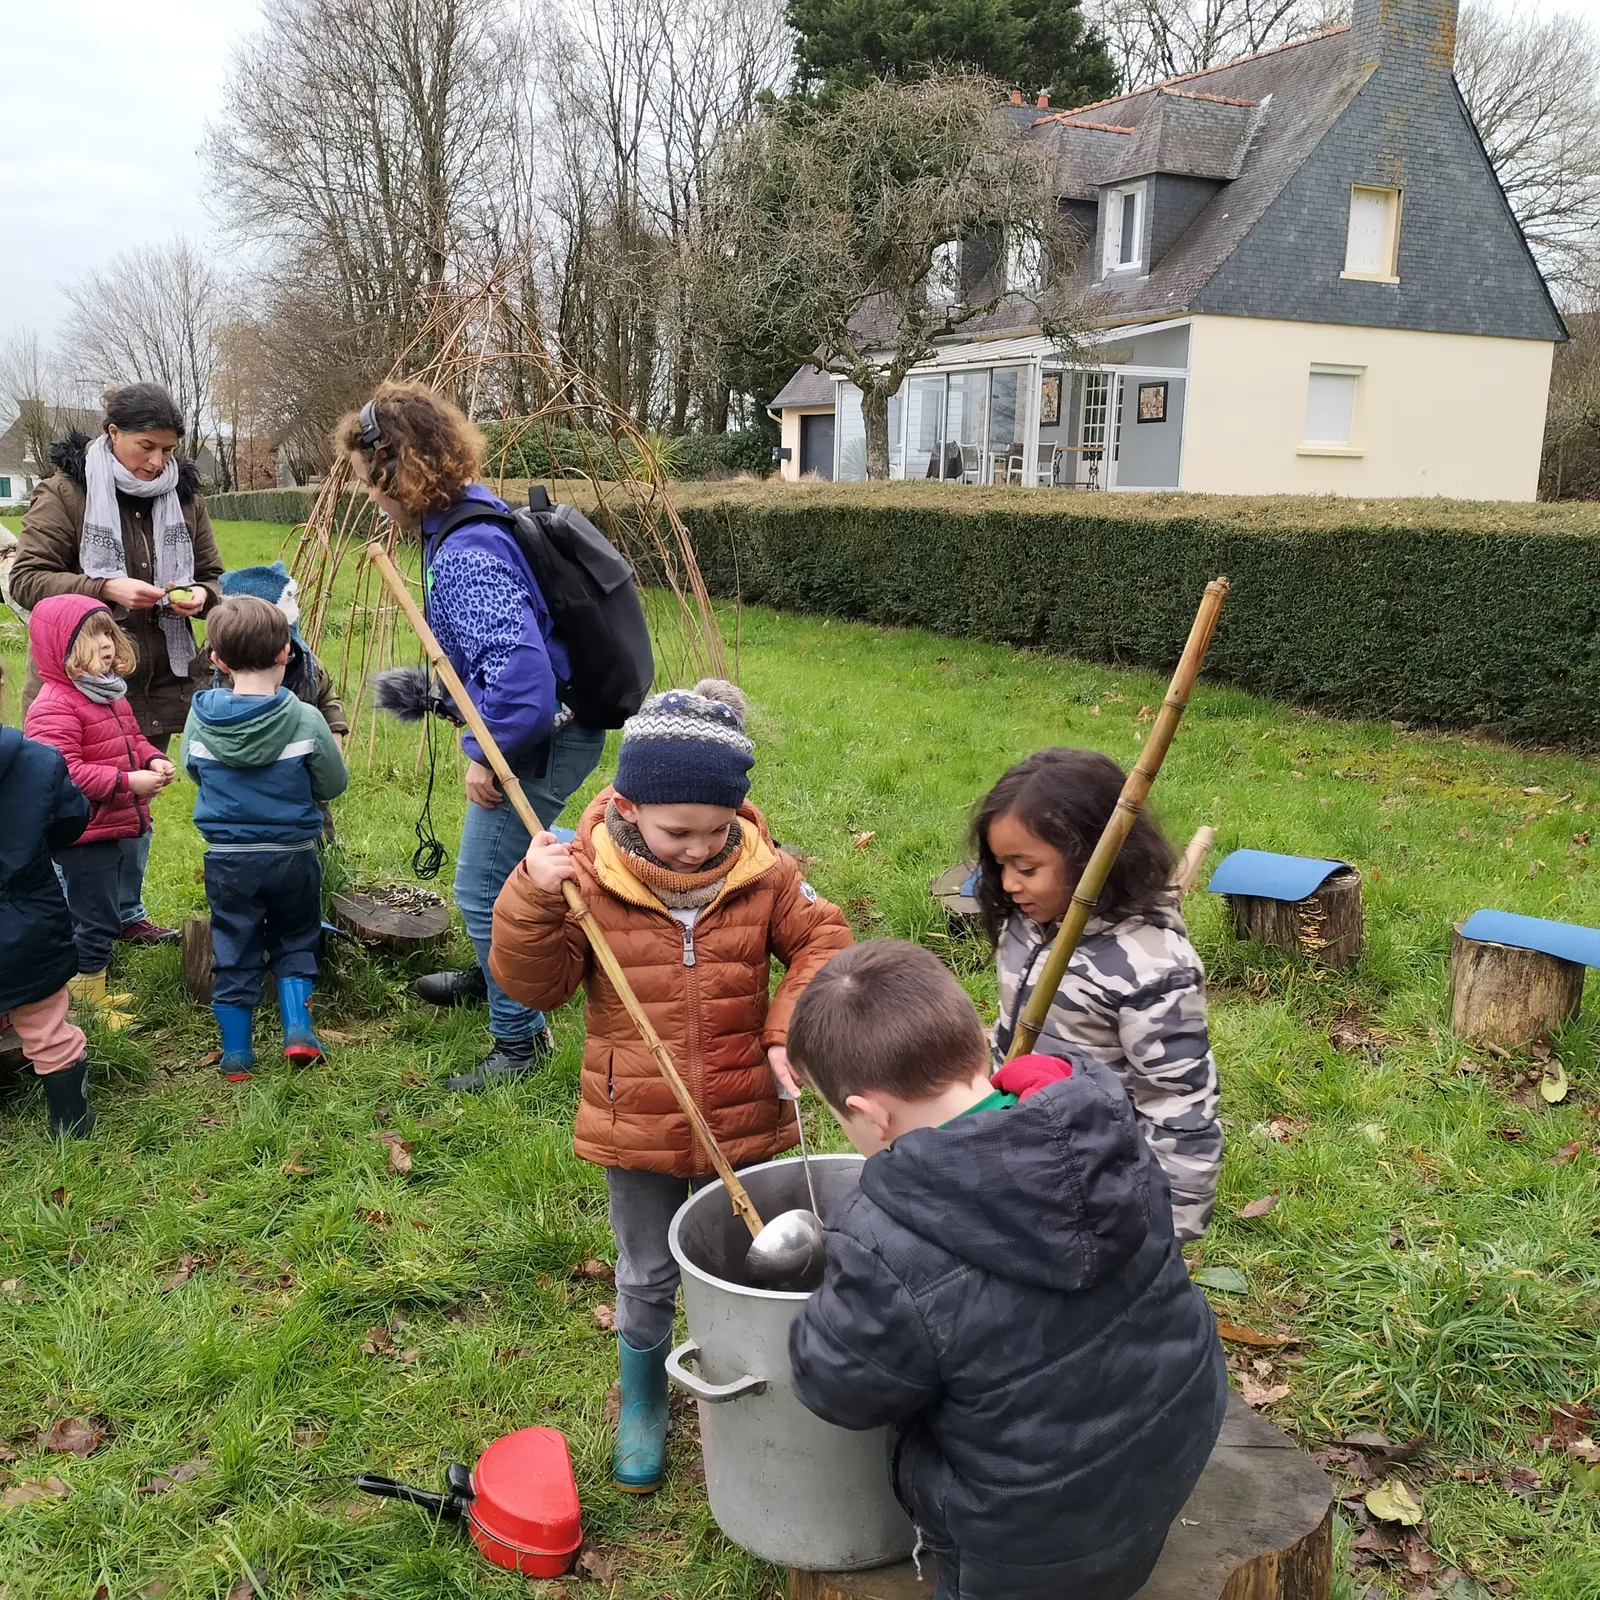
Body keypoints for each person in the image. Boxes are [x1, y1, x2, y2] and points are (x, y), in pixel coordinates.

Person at [489, 679, 853, 1494]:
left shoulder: (765, 874)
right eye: (677, 831)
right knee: (648, 1272)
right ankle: (644, 1399)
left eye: (717, 829)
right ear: (627, 805)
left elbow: (826, 939)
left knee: (752, 1260)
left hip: (743, 1114)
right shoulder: (585, 878)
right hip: (639, 1123)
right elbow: (535, 986)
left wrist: (785, 1027)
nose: (697, 848)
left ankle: (761, 1375)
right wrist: (531, 900)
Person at [785, 940, 1227, 1600]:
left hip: (1029, 1538)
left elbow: (837, 1387)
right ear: (979, 1051)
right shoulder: (1096, 1118)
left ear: (872, 1115)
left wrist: (819, 1307)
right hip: (1172, 1444)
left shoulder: (886, 1237)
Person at [333, 381, 605, 1091]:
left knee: (484, 888)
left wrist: (485, 754)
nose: (369, 497)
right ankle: (503, 975)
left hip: (541, 736)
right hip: (545, 730)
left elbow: (521, 685)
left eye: (369, 481)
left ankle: (519, 1042)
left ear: (397, 470)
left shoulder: (465, 555)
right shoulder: (468, 520)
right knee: (513, 864)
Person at [974, 748, 1222, 1241]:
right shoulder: (1027, 923)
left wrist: (1169, 1231)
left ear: (1093, 857)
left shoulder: (1153, 969)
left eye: (1026, 867)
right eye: (1000, 864)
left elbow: (1179, 1106)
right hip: (1030, 1147)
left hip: (1105, 1175)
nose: (1008, 884)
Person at [11, 382, 225, 945]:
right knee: (76, 813)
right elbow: (27, 578)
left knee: (135, 808)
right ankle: (73, 928)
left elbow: (213, 575)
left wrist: (202, 597)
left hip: (157, 680)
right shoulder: (66, 493)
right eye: (145, 447)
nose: (157, 462)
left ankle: (125, 915)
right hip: (79, 681)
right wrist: (103, 587)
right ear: (113, 435)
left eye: (168, 450)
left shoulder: (185, 498)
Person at [179, 596, 349, 1081]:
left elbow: (195, 770)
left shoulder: (200, 719)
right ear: (285, 653)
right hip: (293, 855)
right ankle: (298, 1030)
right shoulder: (305, 719)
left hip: (229, 858)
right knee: (297, 934)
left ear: (216, 660)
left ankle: (236, 1055)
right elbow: (333, 785)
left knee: (233, 943)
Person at [23, 595, 178, 1031]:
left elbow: (133, 740)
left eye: (109, 633)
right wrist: (126, 783)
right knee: (94, 916)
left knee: (103, 910)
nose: (107, 645)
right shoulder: (55, 705)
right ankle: (87, 1000)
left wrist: (151, 761)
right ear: (61, 649)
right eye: (92, 636)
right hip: (80, 834)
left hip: (106, 828)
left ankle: (94, 987)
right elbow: (64, 772)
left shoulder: (107, 694)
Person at [0, 659, 97, 1137]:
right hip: (27, 926)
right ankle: (71, 1126)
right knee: (47, 1028)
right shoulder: (38, 761)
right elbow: (70, 821)